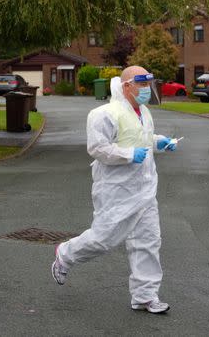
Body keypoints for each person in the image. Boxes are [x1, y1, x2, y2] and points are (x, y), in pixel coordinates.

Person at [51, 65, 179, 314]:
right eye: (141, 83)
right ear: (126, 86)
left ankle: (145, 295)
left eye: (148, 83)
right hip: (116, 189)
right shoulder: (104, 114)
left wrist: (159, 142)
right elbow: (98, 148)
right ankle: (65, 254)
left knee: (148, 241)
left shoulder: (143, 111)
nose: (146, 89)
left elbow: (141, 138)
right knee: (103, 239)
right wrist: (129, 154)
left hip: (144, 189)